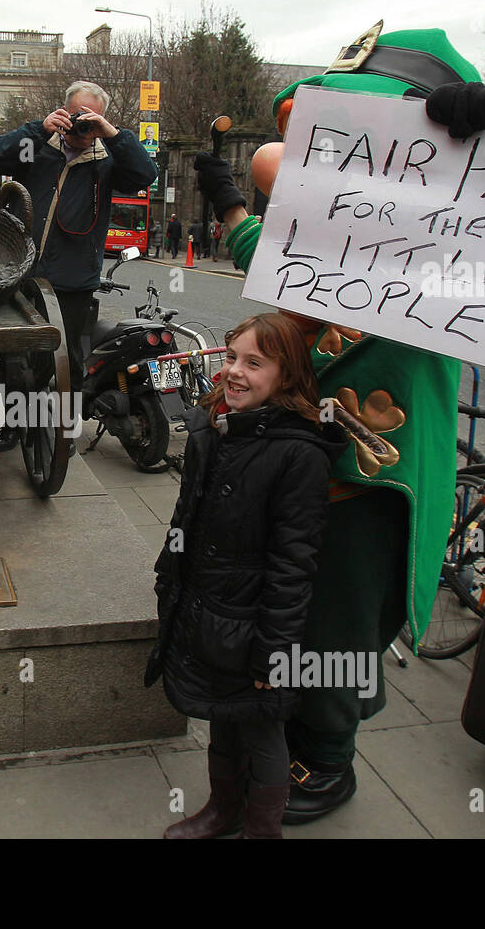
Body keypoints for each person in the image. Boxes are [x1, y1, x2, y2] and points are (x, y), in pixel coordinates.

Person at [193, 23, 485, 823]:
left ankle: (328, 760)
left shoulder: (449, 228)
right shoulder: (330, 219)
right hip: (301, 458)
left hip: (378, 467)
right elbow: (277, 242)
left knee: (344, 611)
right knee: (293, 603)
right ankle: (291, 734)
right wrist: (231, 205)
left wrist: (474, 167)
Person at [148, 314, 346, 838]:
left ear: (286, 376)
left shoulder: (299, 454)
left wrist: (273, 651)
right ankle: (222, 810)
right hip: (209, 609)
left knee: (262, 732)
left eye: (254, 363)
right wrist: (171, 575)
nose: (234, 371)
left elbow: (293, 564)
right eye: (231, 356)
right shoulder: (214, 429)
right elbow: (185, 517)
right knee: (220, 716)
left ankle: (263, 830)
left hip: (256, 623)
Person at [0, 79, 158, 443]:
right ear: (64, 111)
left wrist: (111, 133)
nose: (84, 124)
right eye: (79, 114)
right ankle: (15, 424)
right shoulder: (36, 148)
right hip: (21, 271)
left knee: (67, 359)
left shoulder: (108, 162)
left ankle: (65, 429)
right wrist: (38, 128)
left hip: (74, 280)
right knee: (16, 358)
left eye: (92, 117)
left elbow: (145, 174)